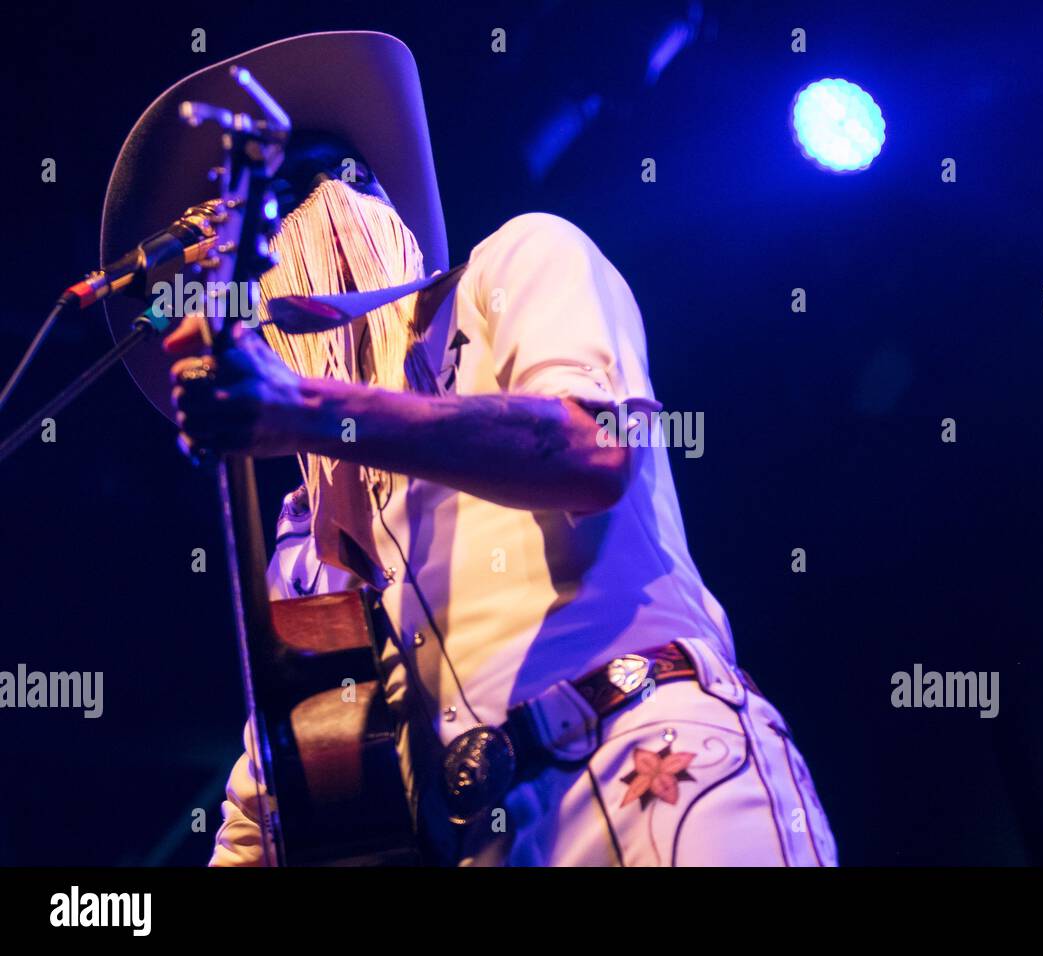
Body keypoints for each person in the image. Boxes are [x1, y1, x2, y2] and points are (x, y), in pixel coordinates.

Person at [104, 32, 837, 867]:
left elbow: (593, 450)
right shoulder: (306, 541)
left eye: (306, 209)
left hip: (657, 758)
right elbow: (272, 797)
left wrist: (305, 407)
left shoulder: (516, 264)